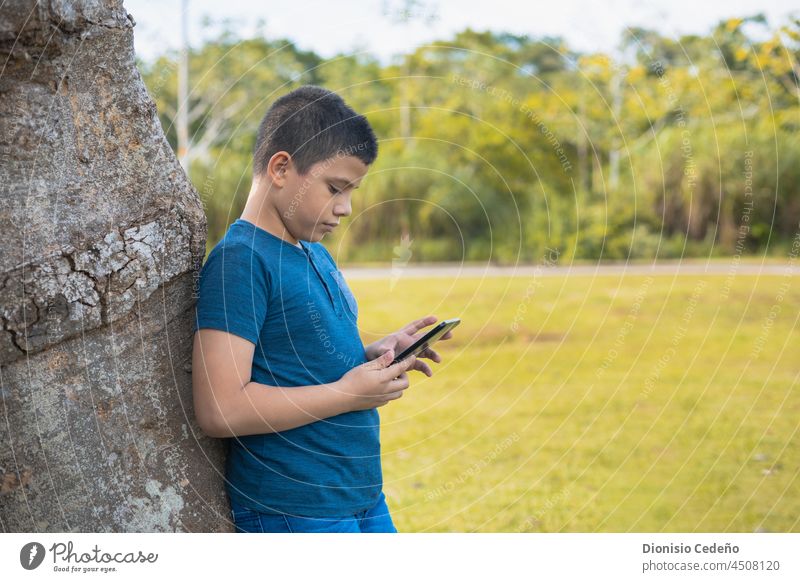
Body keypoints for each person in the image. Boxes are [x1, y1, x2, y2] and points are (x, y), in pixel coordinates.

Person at [191, 85, 453, 533]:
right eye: (335, 188)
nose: (346, 208)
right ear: (280, 168)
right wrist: (350, 394)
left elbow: (297, 360)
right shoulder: (241, 260)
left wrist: (375, 355)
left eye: (353, 190)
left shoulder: (312, 250)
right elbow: (221, 408)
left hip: (361, 496)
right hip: (297, 509)